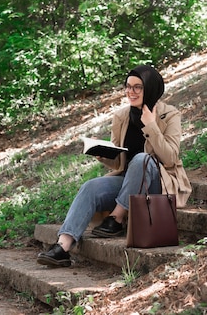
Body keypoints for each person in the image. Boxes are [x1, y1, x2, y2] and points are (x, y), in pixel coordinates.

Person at [37, 64, 192, 267]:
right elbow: (119, 160)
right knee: (91, 187)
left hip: (159, 183)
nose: (131, 92)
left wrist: (151, 125)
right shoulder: (121, 116)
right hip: (129, 181)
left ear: (151, 88)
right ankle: (62, 246)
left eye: (138, 87)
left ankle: (116, 219)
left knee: (141, 159)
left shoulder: (169, 115)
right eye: (128, 86)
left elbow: (170, 157)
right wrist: (103, 153)